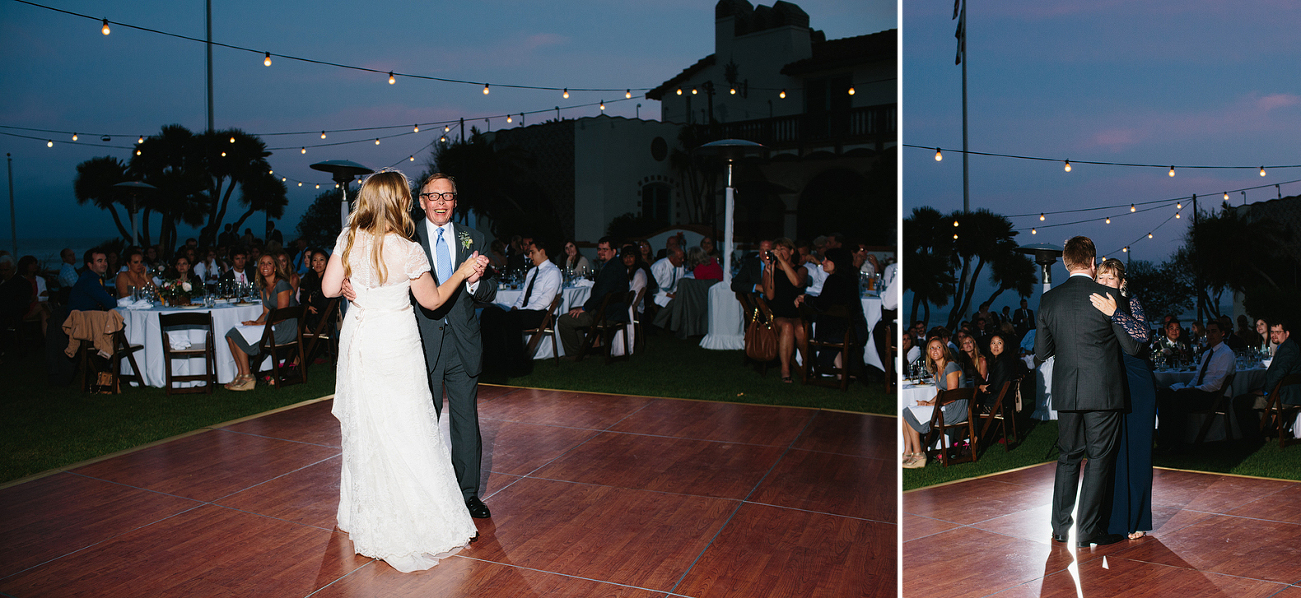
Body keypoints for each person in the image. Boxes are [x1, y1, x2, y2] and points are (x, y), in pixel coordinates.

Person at [321, 170, 483, 572]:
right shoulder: (407, 249)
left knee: (368, 425)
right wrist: (461, 273)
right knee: (409, 428)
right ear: (398, 202)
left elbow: (327, 289)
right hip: (396, 342)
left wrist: (346, 285)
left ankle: (367, 512)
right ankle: (417, 513)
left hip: (361, 340)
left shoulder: (348, 238)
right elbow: (431, 301)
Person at [346, 172, 499, 521]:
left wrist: (475, 283)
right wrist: (348, 286)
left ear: (455, 201)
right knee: (420, 420)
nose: (441, 202)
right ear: (422, 201)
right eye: (434, 196)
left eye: (447, 196)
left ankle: (467, 494)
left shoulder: (473, 237)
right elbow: (373, 268)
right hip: (419, 343)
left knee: (465, 421)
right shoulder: (405, 235)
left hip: (463, 343)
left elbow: (489, 292)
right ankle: (425, 494)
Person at [1035, 235, 1138, 547]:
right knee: (1098, 460)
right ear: (1093, 263)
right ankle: (1087, 531)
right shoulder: (1107, 296)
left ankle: (1059, 528)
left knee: (1067, 457)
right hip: (1103, 393)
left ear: (1067, 263)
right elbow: (1132, 347)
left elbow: (1041, 353)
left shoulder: (1049, 300)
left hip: (1067, 391)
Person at [1088, 258, 1157, 540]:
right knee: (1114, 453)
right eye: (1101, 279)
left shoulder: (1130, 301)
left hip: (1138, 384)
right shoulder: (1091, 304)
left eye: (1111, 279)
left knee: (1139, 453)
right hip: (1111, 383)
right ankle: (1114, 520)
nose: (1105, 284)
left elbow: (1144, 335)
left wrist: (1116, 312)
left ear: (1121, 283)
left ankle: (1139, 519)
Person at [479, 238, 561, 377]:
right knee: (490, 313)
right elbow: (523, 296)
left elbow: (545, 300)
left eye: (532, 252)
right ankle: (492, 361)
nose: (530, 256)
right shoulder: (531, 272)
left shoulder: (553, 271)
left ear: (542, 252)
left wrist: (521, 311)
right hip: (525, 311)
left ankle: (516, 363)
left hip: (541, 313)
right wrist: (516, 307)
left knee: (511, 319)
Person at [1155, 319, 1236, 454]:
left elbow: (1218, 384)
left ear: (1222, 333)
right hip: (1202, 390)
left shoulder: (1226, 353)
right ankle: (1164, 442)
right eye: (1208, 332)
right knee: (1165, 394)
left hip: (1215, 395)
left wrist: (1194, 389)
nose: (1210, 335)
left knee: (1180, 397)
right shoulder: (1206, 353)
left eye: (1214, 331)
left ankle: (1177, 444)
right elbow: (1197, 378)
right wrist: (1189, 387)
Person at [223, 254, 298, 391]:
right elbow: (265, 313)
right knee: (231, 333)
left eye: (269, 263)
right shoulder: (263, 287)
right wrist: (253, 323)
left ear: (275, 267)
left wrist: (258, 325)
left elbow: (281, 315)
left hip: (285, 327)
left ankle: (248, 377)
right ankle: (241, 373)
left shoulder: (282, 285)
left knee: (238, 335)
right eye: (262, 263)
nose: (265, 266)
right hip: (272, 324)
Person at [794, 246, 866, 374]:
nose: (823, 262)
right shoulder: (851, 279)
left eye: (827, 260)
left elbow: (821, 305)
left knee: (824, 328)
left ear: (837, 262)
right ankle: (841, 373)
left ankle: (823, 370)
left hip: (840, 333)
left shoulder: (834, 280)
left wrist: (806, 299)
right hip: (855, 330)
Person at [901, 337, 969, 468]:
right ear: (928, 353)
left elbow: (951, 396)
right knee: (905, 411)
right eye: (932, 348)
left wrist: (931, 405)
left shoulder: (951, 366)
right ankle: (908, 452)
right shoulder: (936, 370)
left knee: (910, 412)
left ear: (944, 349)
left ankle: (919, 454)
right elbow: (940, 394)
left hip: (955, 410)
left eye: (938, 347)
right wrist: (927, 402)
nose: (935, 350)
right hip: (945, 406)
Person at [558, 237, 628, 356]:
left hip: (607, 314)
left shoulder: (612, 268)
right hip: (611, 310)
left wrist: (585, 308)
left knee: (563, 320)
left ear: (614, 251)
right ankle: (583, 349)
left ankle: (575, 354)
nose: (601, 252)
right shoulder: (614, 265)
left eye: (605, 249)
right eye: (599, 249)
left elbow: (602, 293)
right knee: (573, 311)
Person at [1233, 318, 1301, 439]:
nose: (1274, 335)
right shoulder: (1286, 347)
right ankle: (1264, 432)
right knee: (1251, 395)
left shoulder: (1288, 350)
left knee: (1240, 401)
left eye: (1278, 332)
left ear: (1287, 333)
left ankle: (1252, 437)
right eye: (1272, 332)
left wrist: (1265, 392)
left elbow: (1279, 373)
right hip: (1285, 394)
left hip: (1286, 398)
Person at [762, 237, 807, 383]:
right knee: (787, 327)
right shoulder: (770, 269)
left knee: (800, 329)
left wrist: (782, 262)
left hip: (796, 313)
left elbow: (797, 283)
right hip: (778, 314)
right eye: (777, 250)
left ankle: (807, 366)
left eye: (783, 249)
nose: (779, 253)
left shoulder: (801, 269)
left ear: (792, 251)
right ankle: (785, 369)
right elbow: (769, 295)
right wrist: (770, 274)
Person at [977, 333, 1026, 412]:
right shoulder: (1000, 360)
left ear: (1004, 345)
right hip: (1002, 403)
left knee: (971, 406)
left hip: (996, 405)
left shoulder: (1003, 362)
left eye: (999, 343)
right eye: (993, 343)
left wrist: (981, 387)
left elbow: (995, 387)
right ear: (989, 346)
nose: (996, 346)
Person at [298, 248, 331, 333]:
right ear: (312, 263)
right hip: (312, 318)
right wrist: (308, 305)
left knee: (294, 328)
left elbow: (323, 304)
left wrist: (310, 300)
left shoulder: (329, 280)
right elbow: (303, 299)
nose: (318, 263)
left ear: (327, 262)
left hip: (323, 322)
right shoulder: (310, 279)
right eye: (315, 260)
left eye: (321, 260)